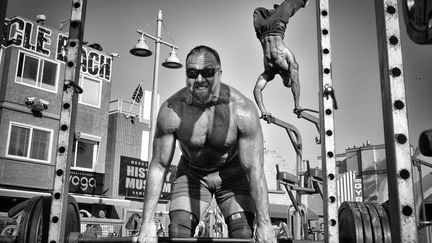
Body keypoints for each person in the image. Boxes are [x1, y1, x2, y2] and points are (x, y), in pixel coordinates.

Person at [137, 45, 273, 243]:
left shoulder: (241, 110)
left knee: (243, 233)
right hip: (193, 173)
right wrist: (147, 223)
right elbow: (159, 166)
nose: (199, 79)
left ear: (219, 73)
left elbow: (254, 169)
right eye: (192, 73)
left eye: (207, 72)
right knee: (178, 231)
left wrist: (265, 224)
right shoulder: (173, 110)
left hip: (232, 175)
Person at [253, 0, 308, 120]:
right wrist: (297, 104)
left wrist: (263, 111)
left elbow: (257, 89)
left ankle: (276, 10)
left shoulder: (270, 72)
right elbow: (295, 82)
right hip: (277, 27)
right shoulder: (291, 64)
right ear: (288, 77)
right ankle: (301, 2)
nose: (286, 83)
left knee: (258, 11)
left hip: (262, 30)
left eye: (285, 84)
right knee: (291, 3)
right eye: (288, 82)